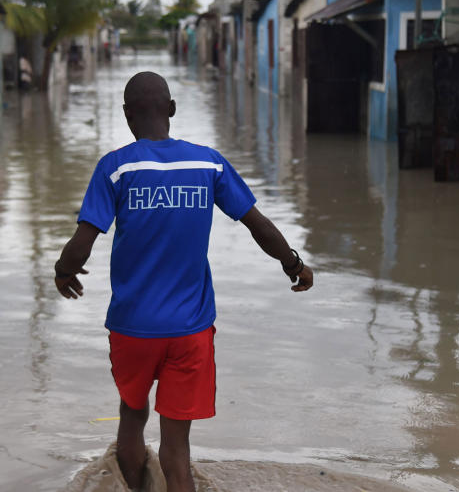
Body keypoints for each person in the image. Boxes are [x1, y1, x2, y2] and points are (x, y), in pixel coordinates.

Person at [53, 71, 313, 492]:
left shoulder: (116, 168)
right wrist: (294, 264)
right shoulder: (207, 163)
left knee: (132, 420)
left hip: (132, 328)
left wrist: (63, 273)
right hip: (190, 331)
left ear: (126, 114)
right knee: (177, 451)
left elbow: (82, 243)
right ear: (172, 110)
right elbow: (258, 225)